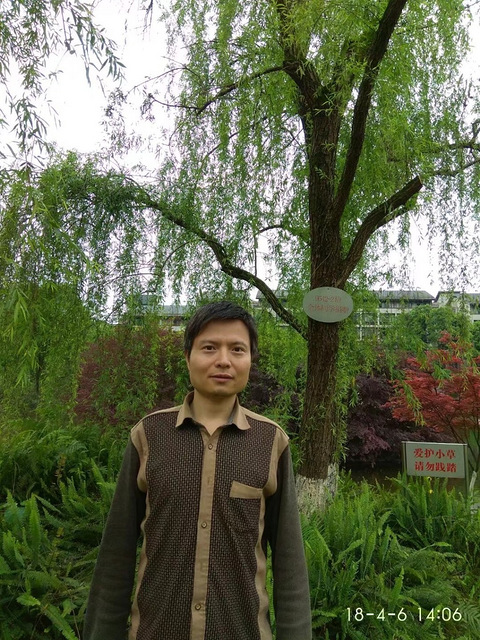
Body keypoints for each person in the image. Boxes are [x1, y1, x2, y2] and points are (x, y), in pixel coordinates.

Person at [83, 301, 312, 640]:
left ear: (250, 360)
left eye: (237, 349)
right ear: (188, 356)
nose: (224, 360)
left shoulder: (271, 442)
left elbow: (290, 564)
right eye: (209, 347)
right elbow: (116, 555)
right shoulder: (149, 435)